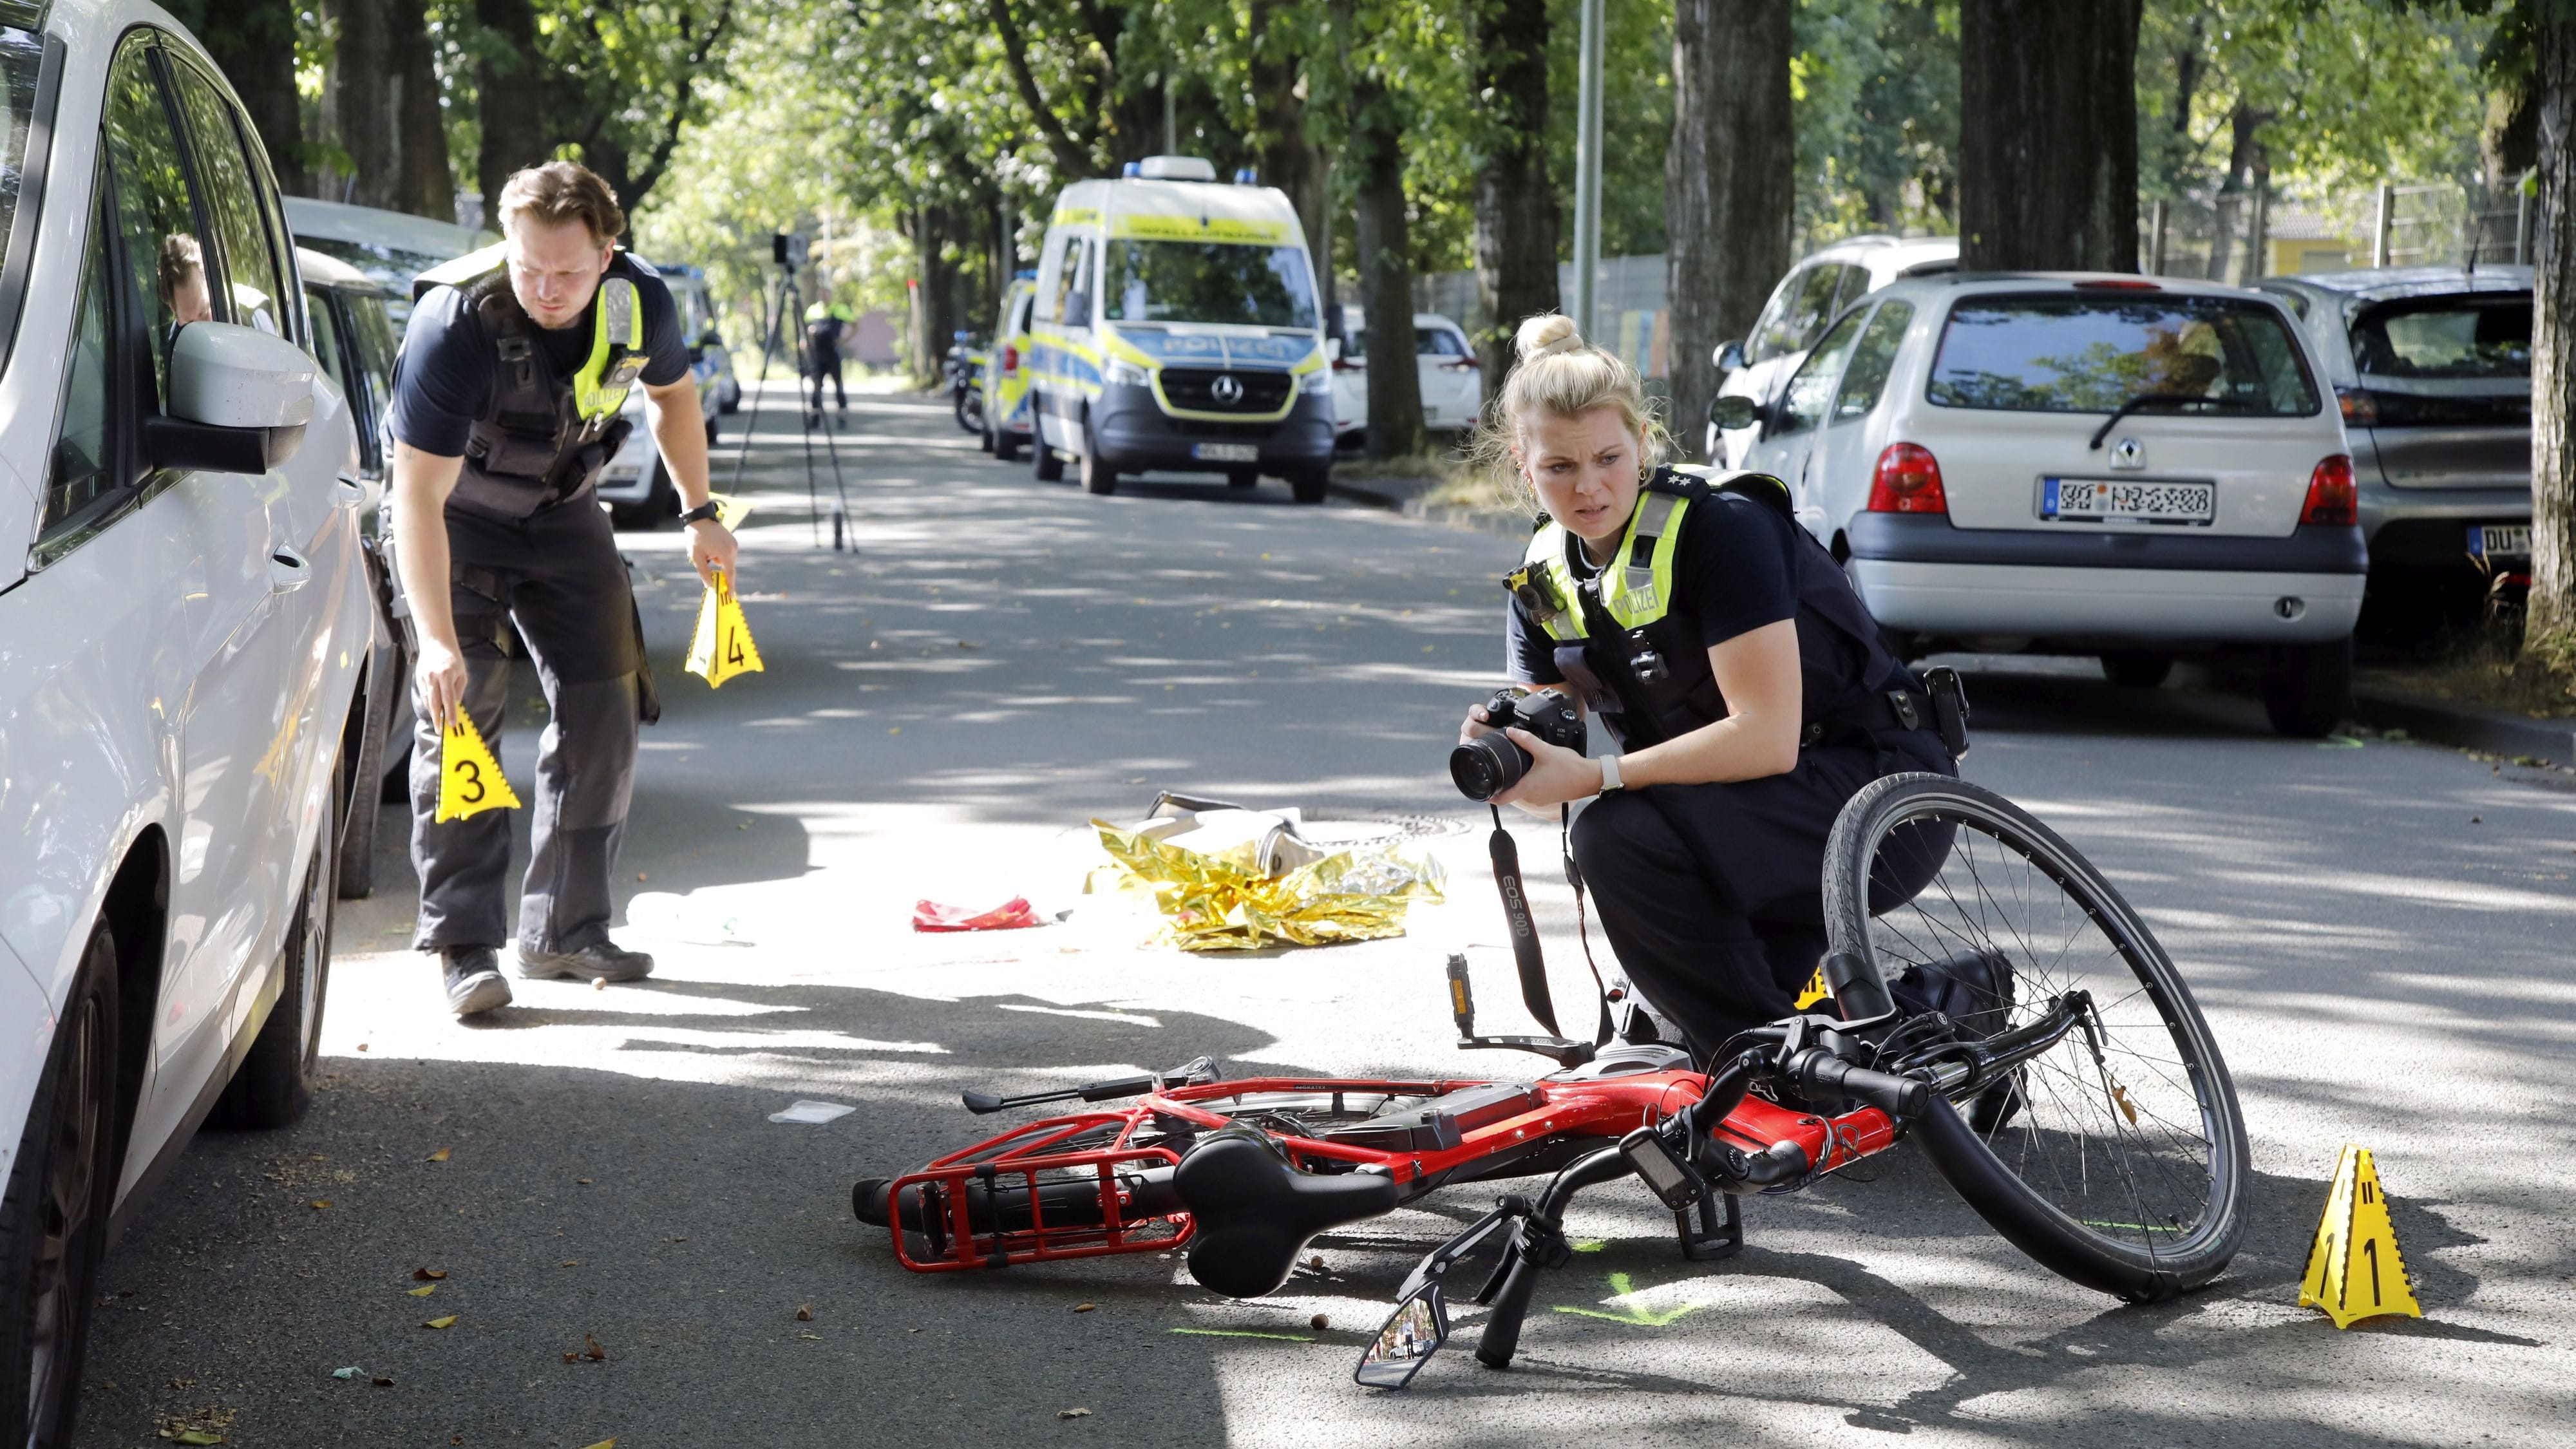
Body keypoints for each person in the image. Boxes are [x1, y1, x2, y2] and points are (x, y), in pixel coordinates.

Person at [1461, 314, 1955, 1056]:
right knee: (1821, 1028)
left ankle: (1755, 1065)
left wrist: (1598, 776)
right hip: (1736, 818)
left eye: (1608, 458)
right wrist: (1516, 763)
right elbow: (1553, 755)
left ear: (1643, 442)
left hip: (1878, 798)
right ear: (1522, 465)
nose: (1589, 487)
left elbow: (1764, 734)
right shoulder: (1543, 579)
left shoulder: (1722, 528)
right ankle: (1942, 1020)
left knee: (1613, 833)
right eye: (1559, 468)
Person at [387, 160, 739, 1017]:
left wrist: (700, 511)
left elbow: (675, 397)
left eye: (569, 272)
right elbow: (415, 497)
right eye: (529, 267)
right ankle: (465, 946)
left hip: (564, 511)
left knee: (608, 706)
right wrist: (434, 640)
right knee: (461, 714)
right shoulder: (455, 323)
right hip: (458, 522)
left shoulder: (640, 301)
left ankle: (565, 929)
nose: (547, 289)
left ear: (608, 251)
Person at [802, 292, 853, 418]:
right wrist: (807, 339)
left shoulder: (839, 309)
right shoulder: (813, 310)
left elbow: (855, 325)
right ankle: (815, 415)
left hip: (833, 351)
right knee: (817, 386)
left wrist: (844, 340)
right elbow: (805, 328)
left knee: (838, 384)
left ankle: (842, 413)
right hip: (818, 353)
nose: (824, 297)